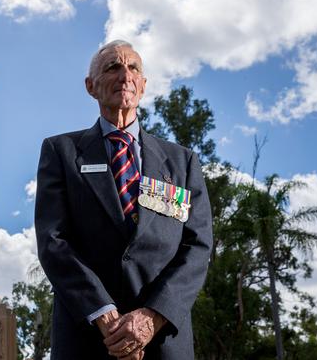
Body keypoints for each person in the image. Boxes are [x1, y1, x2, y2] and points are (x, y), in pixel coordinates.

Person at [34, 40, 213, 359]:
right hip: (87, 336)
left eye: (134, 68)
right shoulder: (61, 152)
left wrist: (151, 316)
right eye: (112, 67)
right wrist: (103, 314)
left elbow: (197, 246)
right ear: (91, 86)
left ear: (143, 85)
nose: (125, 75)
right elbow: (53, 241)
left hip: (164, 340)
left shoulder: (182, 162)